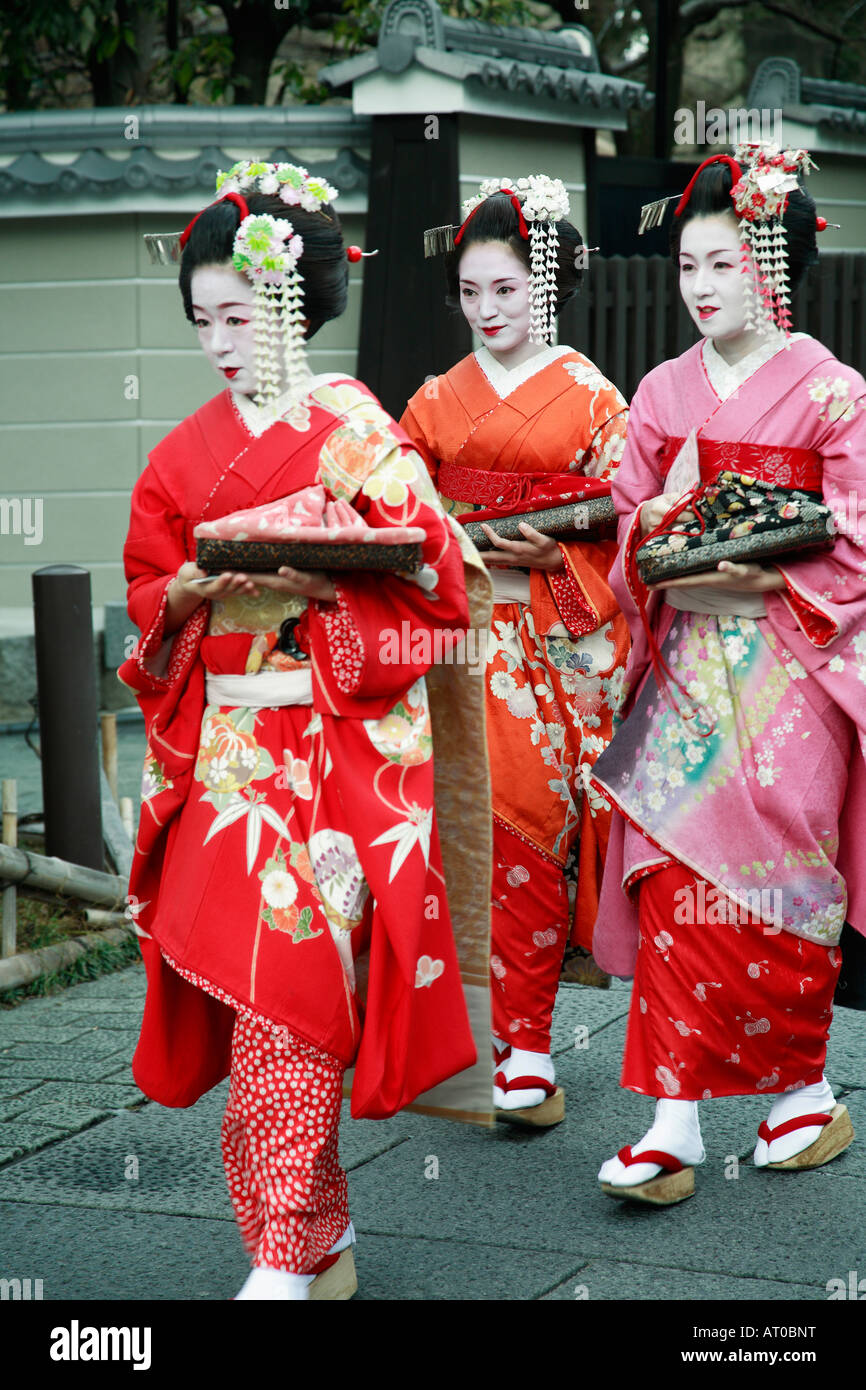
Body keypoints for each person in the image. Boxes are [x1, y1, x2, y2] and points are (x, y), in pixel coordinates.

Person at [119, 160, 493, 1297]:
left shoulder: (355, 429)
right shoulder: (182, 454)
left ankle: (284, 1257)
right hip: (225, 761)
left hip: (332, 759)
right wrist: (185, 593)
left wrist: (328, 591)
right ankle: (312, 1244)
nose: (221, 341)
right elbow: (146, 592)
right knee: (247, 1015)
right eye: (202, 321)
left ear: (291, 303)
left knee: (292, 1005)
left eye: (240, 314)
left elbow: (438, 593)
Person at [590, 145, 864, 1204]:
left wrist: (760, 566)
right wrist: (666, 518)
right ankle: (671, 1118)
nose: (702, 288)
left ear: (773, 270)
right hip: (687, 658)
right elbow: (623, 518)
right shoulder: (661, 391)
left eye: (724, 265)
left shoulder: (835, 391)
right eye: (687, 268)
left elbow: (852, 536)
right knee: (670, 868)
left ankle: (800, 1086)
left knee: (784, 867)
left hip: (795, 663)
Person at [402, 176, 630, 1125]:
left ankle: (525, 1045)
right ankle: (454, 1043)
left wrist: (560, 552)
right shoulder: (429, 401)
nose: (486, 310)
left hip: (543, 643)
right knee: (446, 835)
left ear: (546, 284)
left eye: (505, 288)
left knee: (527, 831)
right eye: (470, 291)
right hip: (452, 639)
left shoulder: (593, 399)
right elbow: (398, 506)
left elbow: (621, 526)